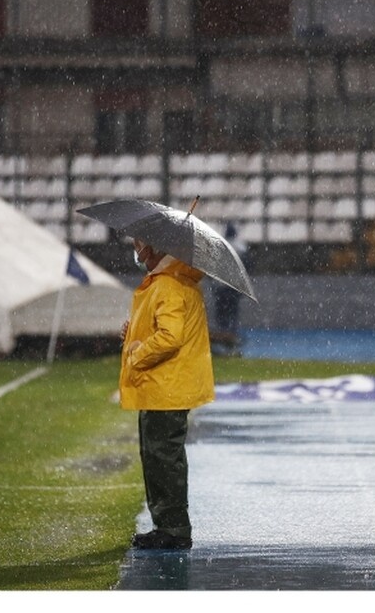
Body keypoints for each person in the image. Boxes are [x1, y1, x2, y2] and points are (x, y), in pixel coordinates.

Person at [119, 237, 214, 550]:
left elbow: (170, 338)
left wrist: (136, 352)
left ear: (154, 248)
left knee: (162, 458)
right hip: (167, 386)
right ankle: (169, 526)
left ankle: (172, 529)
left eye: (139, 245)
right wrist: (134, 332)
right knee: (162, 457)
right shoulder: (176, 281)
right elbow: (166, 329)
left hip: (164, 387)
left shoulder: (167, 285)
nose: (137, 251)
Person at [212, 222, 248, 354]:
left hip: (221, 287)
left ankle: (224, 340)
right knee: (232, 314)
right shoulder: (241, 248)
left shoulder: (220, 246)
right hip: (234, 288)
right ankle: (231, 340)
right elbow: (246, 267)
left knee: (222, 315)